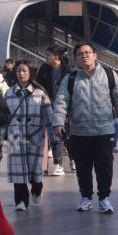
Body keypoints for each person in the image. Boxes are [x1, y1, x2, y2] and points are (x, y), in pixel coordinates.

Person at [53, 42, 118, 214]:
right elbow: (61, 102)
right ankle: (86, 197)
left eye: (88, 52)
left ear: (95, 55)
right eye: (80, 54)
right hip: (79, 132)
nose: (85, 56)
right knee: (83, 167)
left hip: (104, 130)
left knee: (104, 165)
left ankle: (104, 197)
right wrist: (58, 122)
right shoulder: (71, 79)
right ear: (75, 59)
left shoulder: (109, 75)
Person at [5, 60, 58, 210]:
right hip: (15, 137)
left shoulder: (40, 93)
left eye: (24, 71)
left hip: (36, 137)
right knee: (18, 171)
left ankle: (37, 188)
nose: (21, 74)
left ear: (30, 73)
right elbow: (4, 117)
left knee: (34, 172)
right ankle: (20, 201)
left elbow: (49, 118)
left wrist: (55, 142)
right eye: (18, 71)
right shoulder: (9, 93)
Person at [36, 45, 71, 175]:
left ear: (56, 57)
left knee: (66, 135)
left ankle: (72, 159)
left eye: (48, 55)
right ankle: (58, 164)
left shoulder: (67, 71)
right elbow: (38, 85)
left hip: (65, 108)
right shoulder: (44, 69)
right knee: (54, 135)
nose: (45, 57)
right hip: (48, 106)